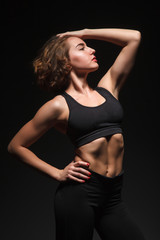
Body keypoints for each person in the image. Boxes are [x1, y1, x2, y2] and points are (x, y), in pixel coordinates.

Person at [8, 28, 146, 240]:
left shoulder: (108, 88)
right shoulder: (58, 106)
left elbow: (133, 38)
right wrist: (57, 173)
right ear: (65, 61)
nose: (91, 49)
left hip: (112, 196)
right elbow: (16, 146)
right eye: (82, 47)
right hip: (80, 194)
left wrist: (83, 33)